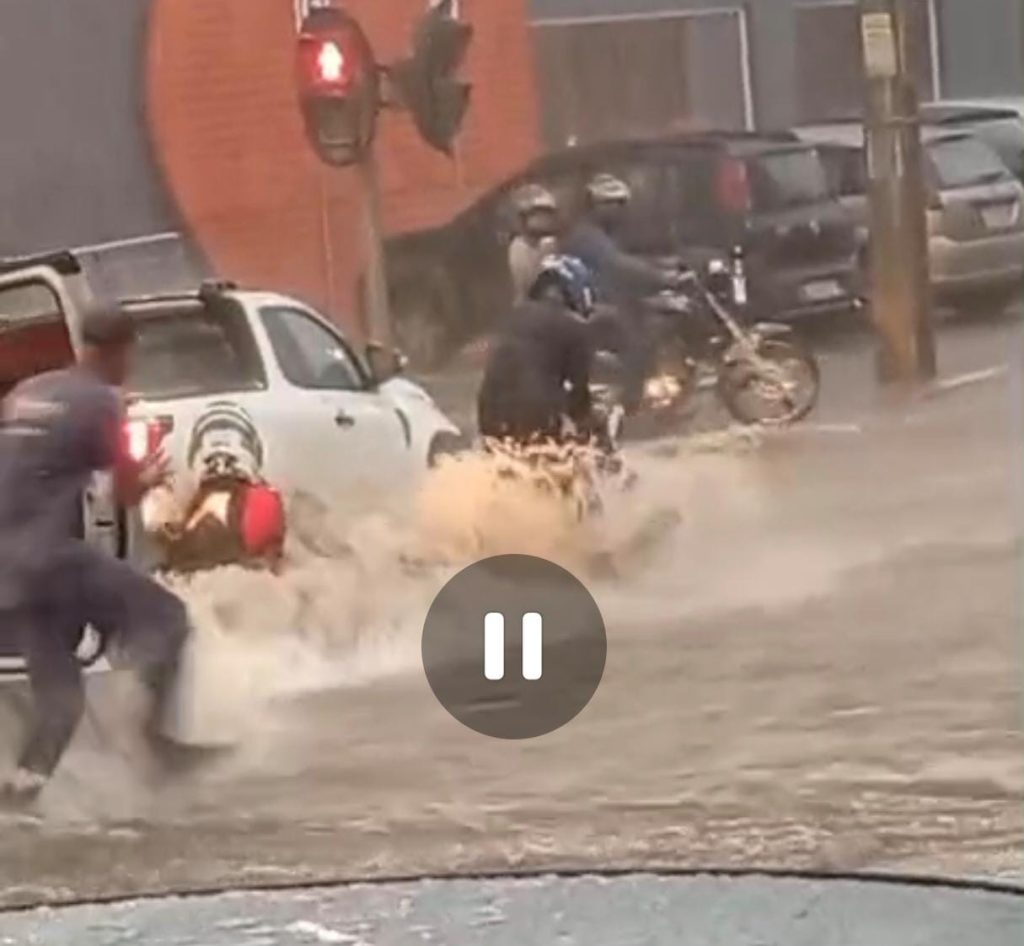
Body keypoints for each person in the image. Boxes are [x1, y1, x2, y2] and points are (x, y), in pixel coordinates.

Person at [0, 305, 211, 806]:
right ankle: (155, 743)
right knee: (170, 619)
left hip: (8, 571)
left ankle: (16, 800)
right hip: (53, 560)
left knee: (61, 704)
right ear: (122, 350)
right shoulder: (101, 401)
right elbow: (126, 494)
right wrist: (150, 476)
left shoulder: (28, 393)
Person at [564, 173, 685, 412]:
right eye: (610, 204)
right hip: (595, 306)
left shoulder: (608, 234)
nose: (617, 210)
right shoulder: (587, 235)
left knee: (656, 320)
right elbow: (617, 264)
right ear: (594, 205)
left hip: (615, 299)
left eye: (620, 204)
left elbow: (630, 258)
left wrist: (667, 265)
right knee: (639, 343)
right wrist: (662, 277)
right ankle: (632, 406)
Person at [477, 254, 597, 447]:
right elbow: (578, 392)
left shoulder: (511, 317)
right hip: (538, 418)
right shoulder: (575, 327)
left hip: (489, 412)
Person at [507, 183, 561, 306]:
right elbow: (529, 286)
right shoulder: (519, 248)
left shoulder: (551, 243)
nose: (545, 219)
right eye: (539, 214)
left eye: (548, 214)